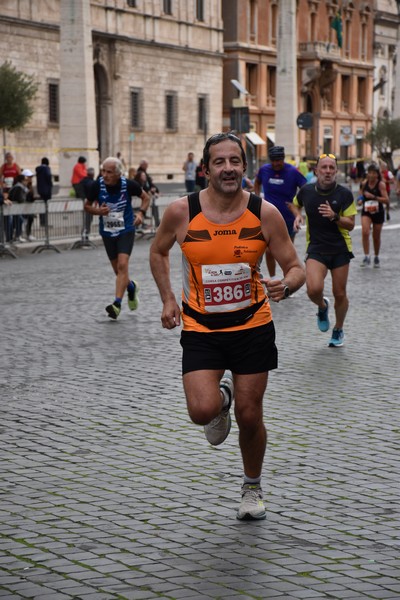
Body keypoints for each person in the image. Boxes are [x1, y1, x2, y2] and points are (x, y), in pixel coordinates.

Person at [150, 132, 305, 520]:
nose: (228, 168)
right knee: (201, 411)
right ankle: (222, 400)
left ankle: (252, 487)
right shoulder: (181, 212)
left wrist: (285, 285)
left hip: (252, 326)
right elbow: (158, 250)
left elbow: (296, 267)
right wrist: (169, 298)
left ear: (245, 167)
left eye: (235, 161)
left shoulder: (264, 213)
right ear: (206, 170)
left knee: (251, 416)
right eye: (219, 162)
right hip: (202, 328)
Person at [293, 153, 357, 348]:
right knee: (313, 289)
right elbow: (295, 205)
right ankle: (322, 306)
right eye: (324, 168)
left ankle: (338, 329)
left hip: (340, 249)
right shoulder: (306, 191)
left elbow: (351, 224)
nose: (328, 171)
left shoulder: (344, 194)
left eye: (331, 168)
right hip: (317, 247)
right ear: (316, 171)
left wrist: (335, 216)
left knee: (339, 293)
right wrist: (298, 217)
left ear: (336, 172)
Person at [84, 156, 150, 319]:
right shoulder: (96, 186)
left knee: (122, 265)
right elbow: (86, 205)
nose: (105, 175)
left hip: (126, 229)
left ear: (118, 173)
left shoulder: (128, 185)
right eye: (103, 171)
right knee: (118, 271)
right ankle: (132, 287)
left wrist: (141, 213)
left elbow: (146, 198)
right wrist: (98, 211)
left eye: (109, 172)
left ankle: (117, 304)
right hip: (107, 232)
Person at [254, 145, 307, 278]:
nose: (276, 163)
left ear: (283, 159)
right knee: (268, 251)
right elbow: (257, 182)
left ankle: (288, 280)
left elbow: (305, 189)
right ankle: (273, 279)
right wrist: (257, 197)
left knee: (287, 252)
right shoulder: (264, 170)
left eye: (279, 160)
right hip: (268, 218)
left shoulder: (293, 171)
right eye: (273, 160)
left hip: (288, 217)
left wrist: (298, 207)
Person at [358, 163, 389, 268]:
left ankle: (376, 256)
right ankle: (366, 256)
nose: (371, 175)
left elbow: (386, 200)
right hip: (366, 211)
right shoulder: (364, 183)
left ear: (377, 174)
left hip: (378, 212)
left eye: (374, 173)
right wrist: (360, 200)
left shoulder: (381, 185)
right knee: (365, 231)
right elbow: (360, 196)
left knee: (376, 236)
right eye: (370, 173)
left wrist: (374, 197)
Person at [1, 152, 21, 242]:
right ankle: (9, 237)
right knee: (8, 217)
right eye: (7, 157)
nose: (9, 159)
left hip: (14, 191)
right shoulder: (3, 167)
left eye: (10, 157)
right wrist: (2, 185)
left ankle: (16, 234)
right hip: (6, 192)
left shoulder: (16, 166)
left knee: (17, 216)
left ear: (12, 158)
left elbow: (20, 176)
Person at [36, 157, 53, 228]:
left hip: (40, 189)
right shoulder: (46, 168)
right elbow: (48, 176)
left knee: (41, 206)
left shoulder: (38, 169)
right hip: (46, 190)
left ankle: (42, 221)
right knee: (45, 206)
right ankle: (44, 222)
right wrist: (50, 184)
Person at [81, 167, 96, 239]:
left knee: (87, 220)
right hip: (88, 203)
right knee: (88, 221)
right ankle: (86, 237)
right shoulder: (91, 183)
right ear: (92, 174)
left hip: (85, 202)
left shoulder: (83, 181)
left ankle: (85, 236)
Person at [21, 168, 36, 241]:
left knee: (30, 218)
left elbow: (31, 196)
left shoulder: (30, 186)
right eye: (29, 177)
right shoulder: (22, 186)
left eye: (31, 177)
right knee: (22, 221)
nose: (30, 179)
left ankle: (28, 234)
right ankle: (20, 235)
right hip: (22, 207)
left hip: (29, 207)